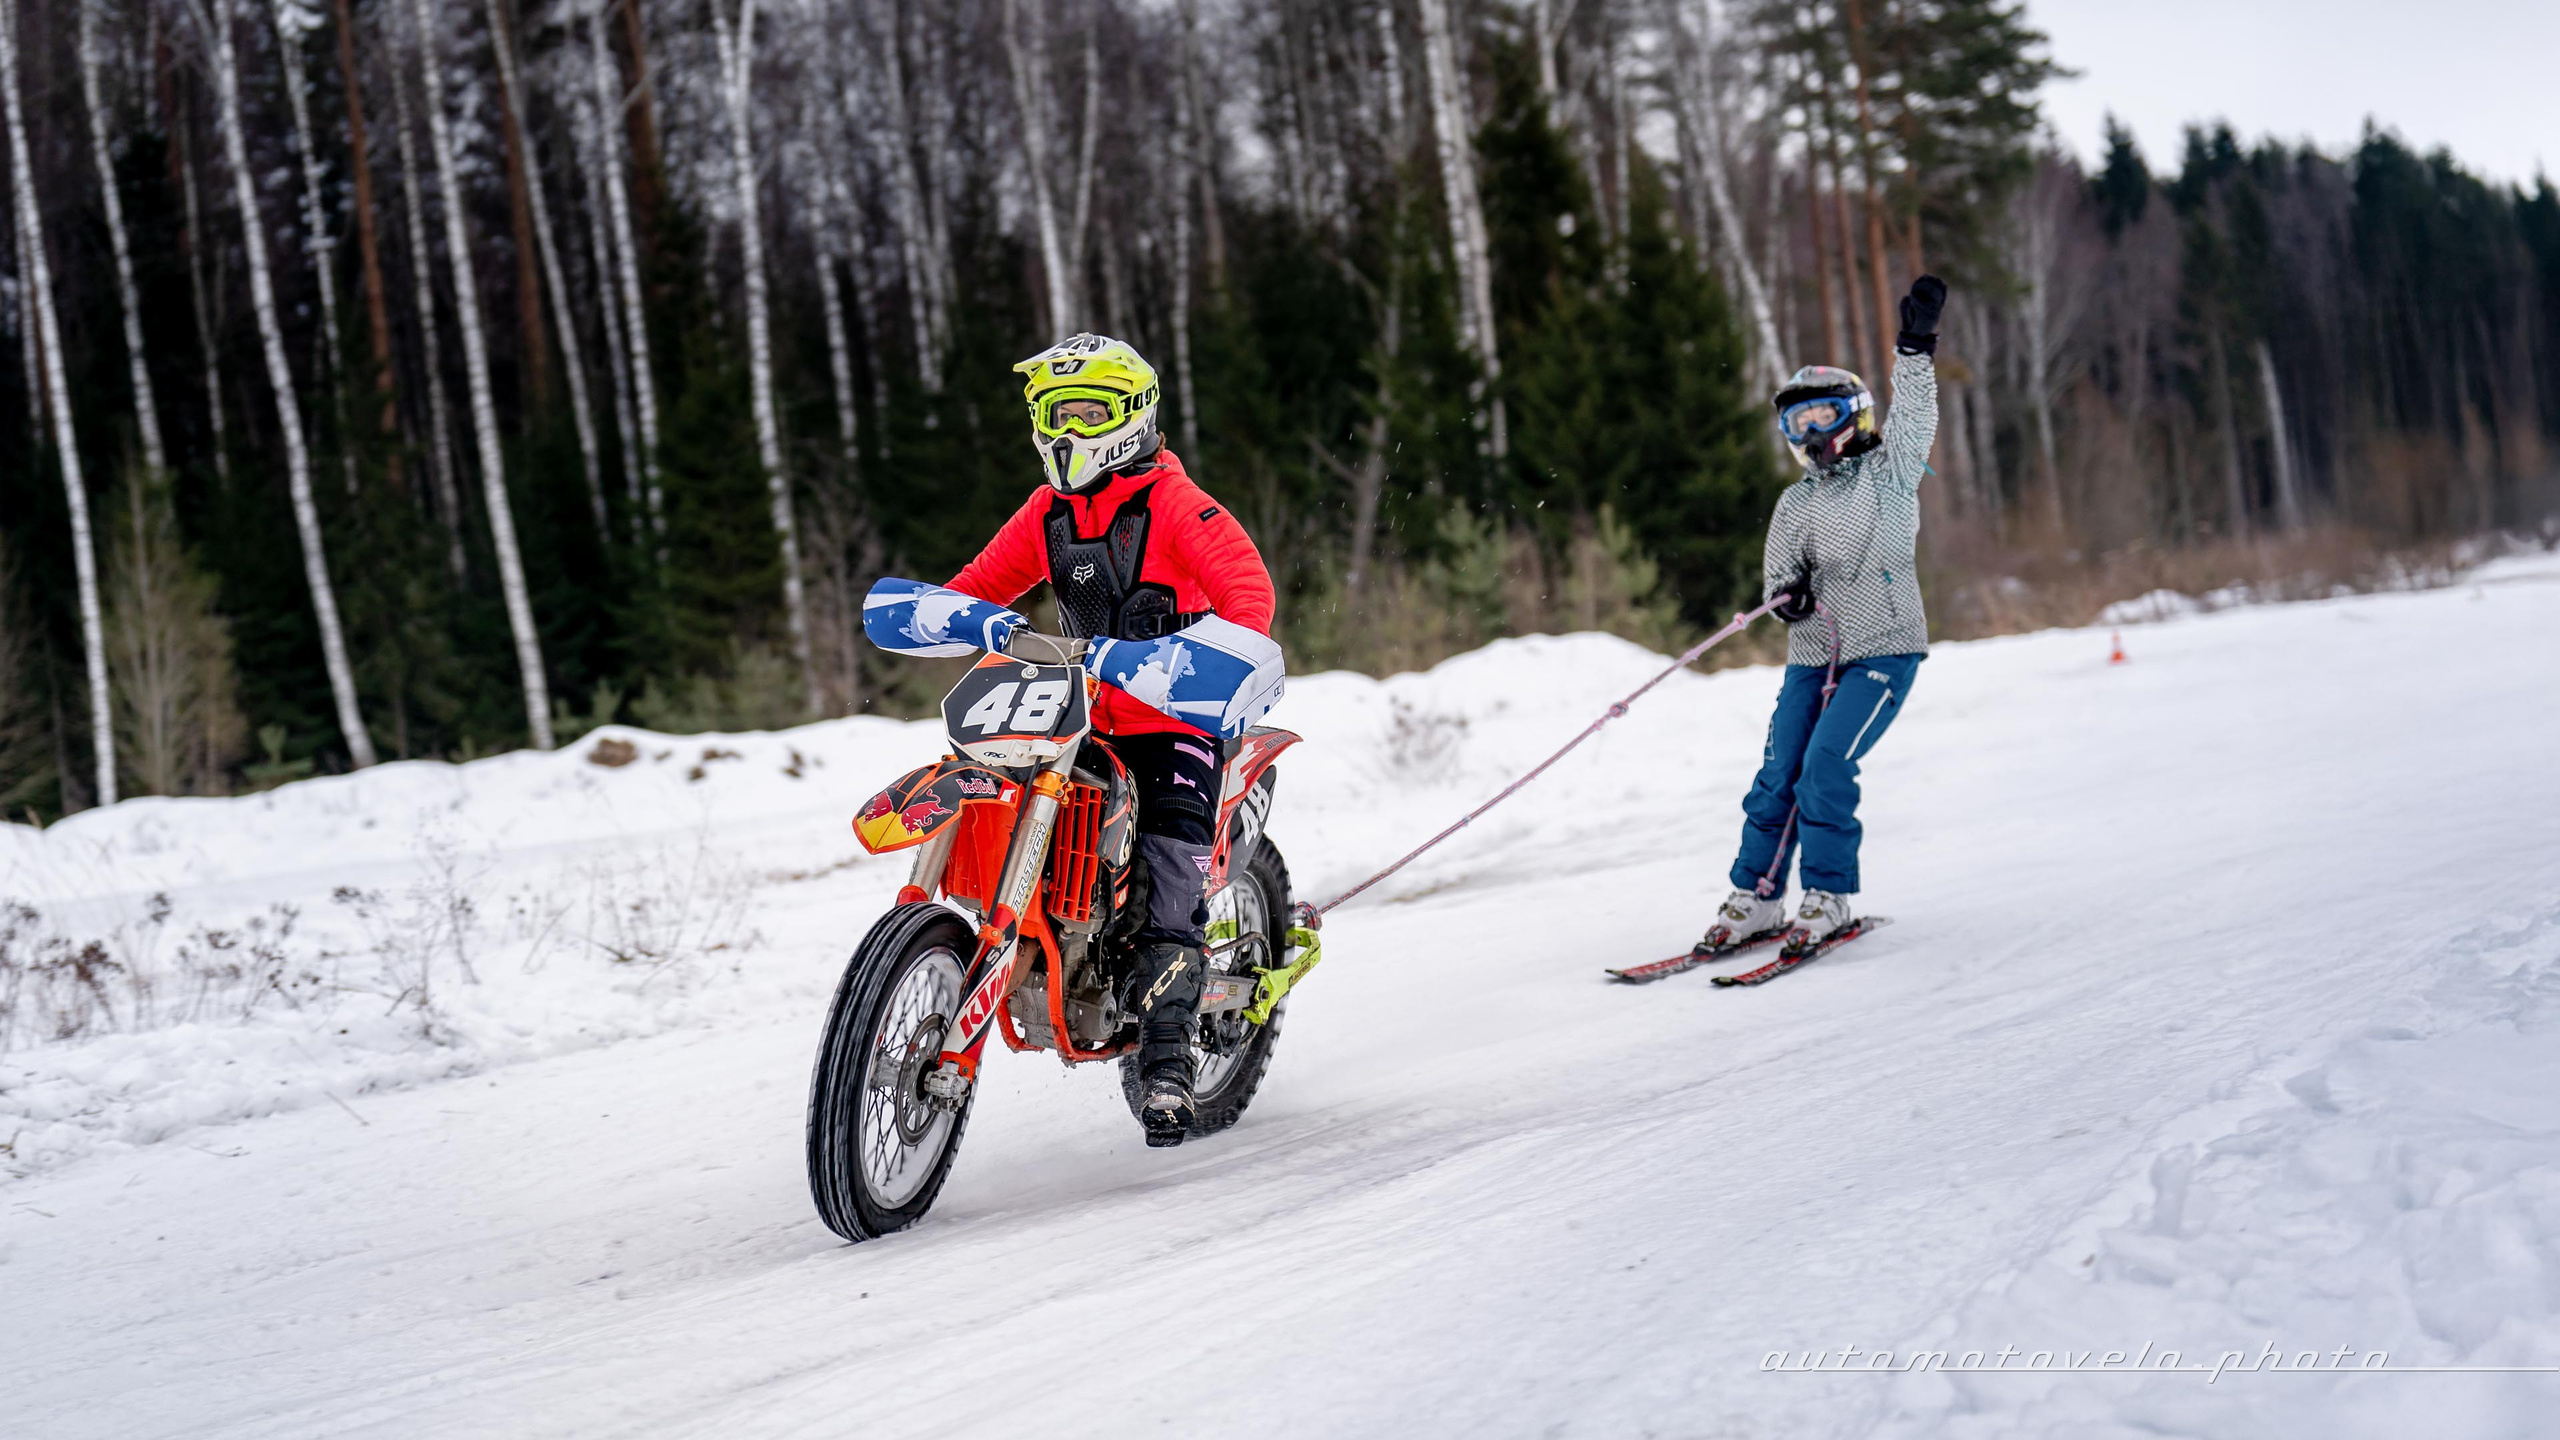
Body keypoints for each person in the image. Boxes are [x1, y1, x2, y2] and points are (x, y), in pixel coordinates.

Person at [944, 333, 1276, 1147]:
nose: (1067, 432)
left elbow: (1249, 592)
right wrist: (946, 613)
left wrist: (1198, 658)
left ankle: (1167, 1063)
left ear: (1131, 416)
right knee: (997, 793)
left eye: (1086, 413)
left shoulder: (1176, 504)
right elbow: (976, 588)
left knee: (1169, 866)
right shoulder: (1048, 513)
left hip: (1175, 719)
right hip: (1077, 715)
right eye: (1053, 413)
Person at [1701, 276, 1947, 953]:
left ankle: (1828, 895)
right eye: (1797, 423)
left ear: (1854, 416)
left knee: (1825, 765)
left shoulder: (1892, 471)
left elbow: (1916, 413)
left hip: (1885, 649)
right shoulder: (1795, 503)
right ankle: (1756, 897)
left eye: (1822, 417)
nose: (1810, 433)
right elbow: (1777, 581)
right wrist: (1792, 597)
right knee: (1779, 774)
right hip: (1814, 656)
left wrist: (1915, 346)